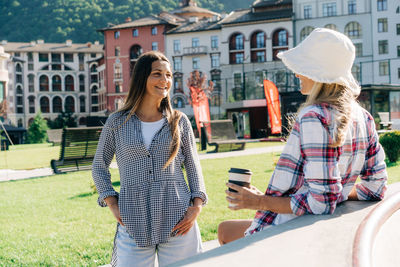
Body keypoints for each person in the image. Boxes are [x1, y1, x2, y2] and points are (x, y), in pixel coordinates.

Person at [218, 28, 388, 245]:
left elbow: (322, 202)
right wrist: (340, 191)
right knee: (226, 229)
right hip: (314, 227)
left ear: (318, 73)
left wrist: (258, 201)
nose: (296, 74)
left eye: (302, 68)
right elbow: (376, 187)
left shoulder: (314, 116)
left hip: (291, 232)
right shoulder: (363, 117)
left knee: (224, 232)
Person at [92, 51, 207, 267]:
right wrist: (111, 202)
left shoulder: (179, 121)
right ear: (142, 77)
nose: (165, 81)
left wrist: (197, 205)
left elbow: (193, 166)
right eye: (157, 74)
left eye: (169, 75)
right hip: (132, 218)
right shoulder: (116, 123)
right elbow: (99, 167)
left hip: (178, 217)